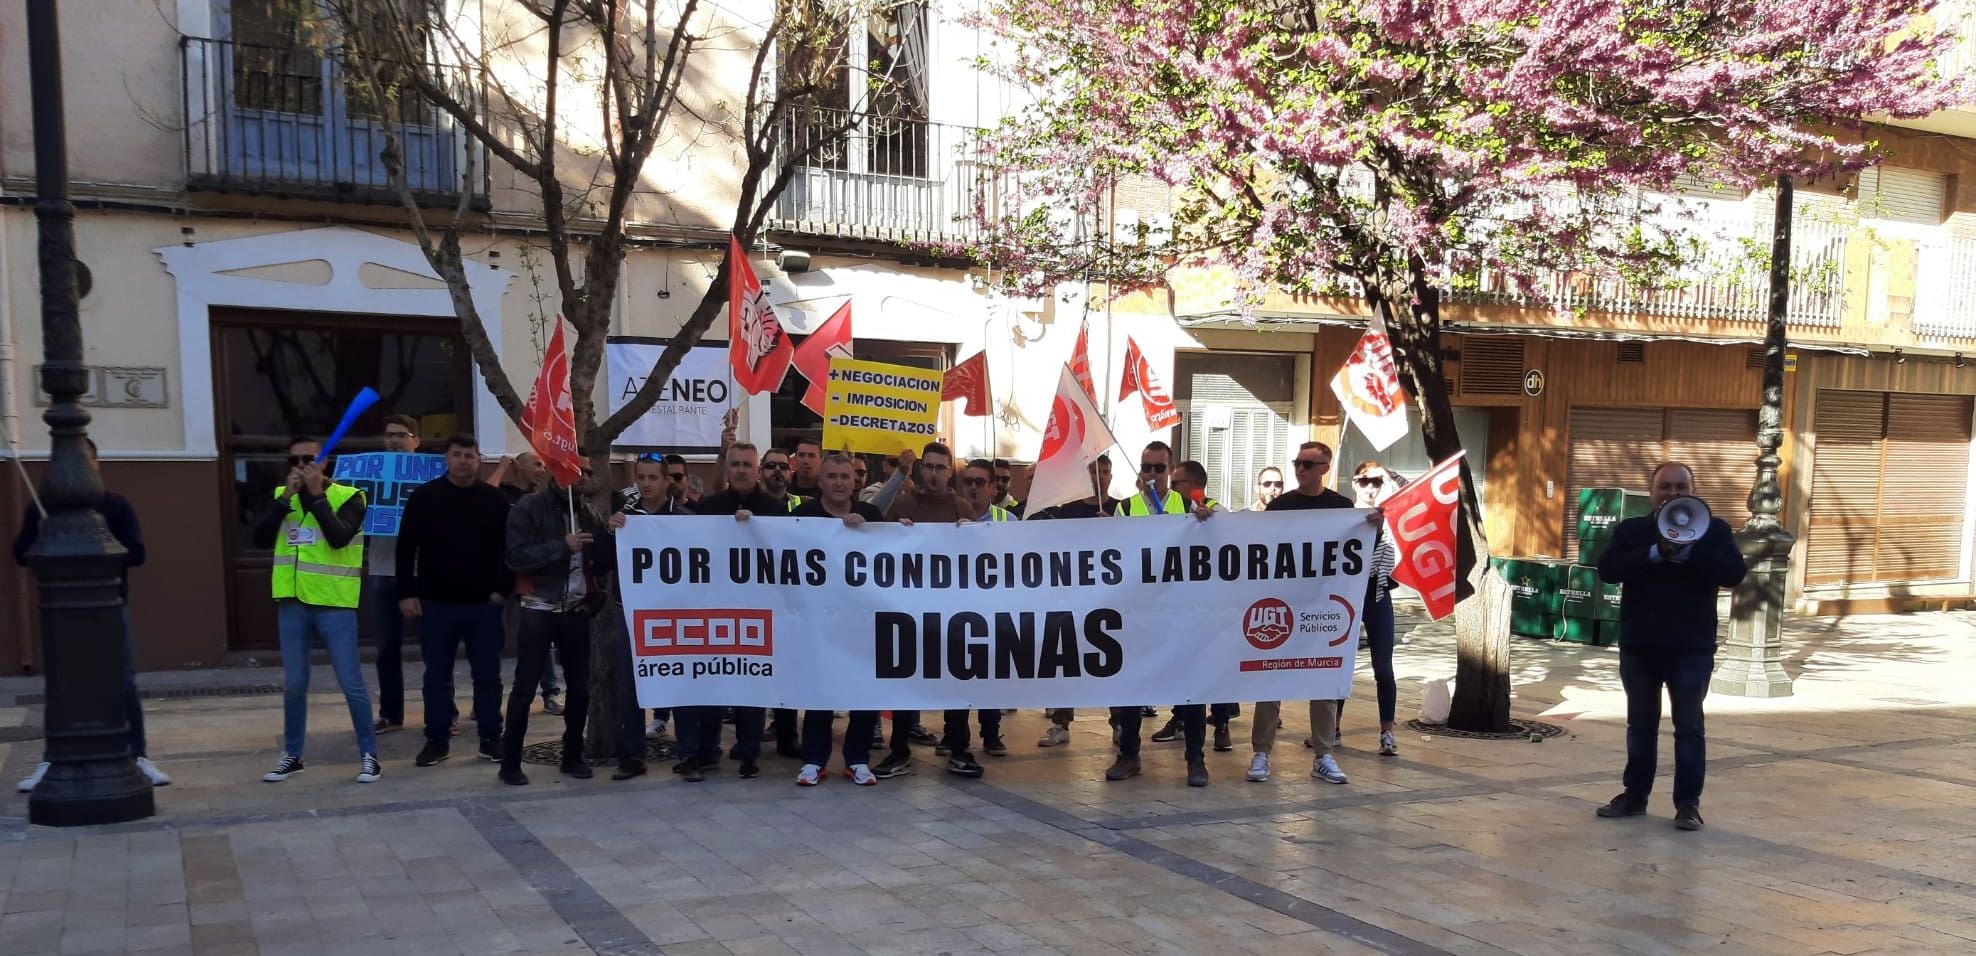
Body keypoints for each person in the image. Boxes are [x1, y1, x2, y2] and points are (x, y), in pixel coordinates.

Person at [1595, 462, 1747, 832]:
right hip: (1641, 644)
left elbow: (1734, 574)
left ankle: (1688, 805)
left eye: (1681, 487)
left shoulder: (1714, 531)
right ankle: (1635, 796)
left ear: (1692, 491)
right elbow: (1607, 569)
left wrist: (1692, 551)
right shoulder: (1633, 530)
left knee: (1689, 727)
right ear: (1652, 491)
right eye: (1665, 486)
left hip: (1691, 647)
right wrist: (1653, 553)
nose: (1673, 493)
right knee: (1641, 725)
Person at [12, 438, 170, 790]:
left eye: (84, 461)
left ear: (96, 464)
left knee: (124, 680)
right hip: (63, 614)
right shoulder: (43, 509)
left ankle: (138, 754)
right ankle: (53, 758)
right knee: (63, 683)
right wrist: (42, 535)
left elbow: (137, 553)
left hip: (110, 606)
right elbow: (20, 553)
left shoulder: (115, 506)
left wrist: (96, 543)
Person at [253, 436, 380, 784]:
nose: (302, 465)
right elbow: (261, 538)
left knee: (350, 681)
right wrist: (287, 499)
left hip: (333, 602)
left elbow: (339, 537)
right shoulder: (283, 497)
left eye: (309, 458)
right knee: (294, 683)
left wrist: (316, 495)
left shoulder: (350, 496)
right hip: (293, 602)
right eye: (294, 460)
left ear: (324, 462)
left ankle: (369, 755)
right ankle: (292, 754)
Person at [1249, 441, 1374, 786]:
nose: (1300, 469)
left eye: (1308, 464)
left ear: (1324, 468)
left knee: (1323, 677)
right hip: (1284, 604)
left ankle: (1323, 753)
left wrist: (1372, 525)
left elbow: (1359, 551)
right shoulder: (1280, 506)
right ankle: (1261, 751)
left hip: (1323, 607)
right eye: (1297, 463)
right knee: (1270, 674)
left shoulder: (1341, 507)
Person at [397, 436, 513, 768]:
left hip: (484, 606)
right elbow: (406, 550)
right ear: (447, 459)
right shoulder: (424, 498)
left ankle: (491, 739)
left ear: (479, 461)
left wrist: (500, 592)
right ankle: (436, 740)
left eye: (470, 456)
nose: (463, 461)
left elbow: (510, 551)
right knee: (436, 676)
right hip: (435, 604)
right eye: (457, 455)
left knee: (488, 675)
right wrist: (407, 593)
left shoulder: (495, 500)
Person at [673, 443, 782, 781]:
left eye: (747, 465)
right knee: (711, 680)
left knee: (752, 683)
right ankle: (706, 752)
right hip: (715, 608)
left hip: (758, 610)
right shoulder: (709, 508)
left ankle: (749, 752)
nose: (741, 471)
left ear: (758, 469)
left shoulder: (775, 510)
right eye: (735, 464)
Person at [1109, 442, 1216, 787]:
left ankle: (1196, 759)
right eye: (1147, 467)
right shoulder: (1125, 509)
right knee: (1131, 689)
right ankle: (1128, 755)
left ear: (1171, 471)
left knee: (1193, 688)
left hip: (1181, 613)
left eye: (1159, 468)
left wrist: (1208, 522)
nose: (1152, 474)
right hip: (1140, 613)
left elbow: (1215, 545)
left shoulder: (1189, 506)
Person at [499, 464, 610, 785]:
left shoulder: (588, 512)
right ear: (555, 472)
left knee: (579, 687)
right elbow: (516, 557)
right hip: (538, 607)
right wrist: (563, 545)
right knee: (524, 688)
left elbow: (602, 561)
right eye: (576, 470)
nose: (582, 477)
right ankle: (510, 762)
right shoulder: (529, 507)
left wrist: (613, 533)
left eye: (588, 471)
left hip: (576, 609)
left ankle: (572, 755)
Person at [875, 442, 975, 778]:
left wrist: (970, 536)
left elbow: (980, 561)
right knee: (905, 683)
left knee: (957, 681)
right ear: (921, 469)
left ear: (950, 472)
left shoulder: (962, 508)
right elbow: (877, 548)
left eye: (939, 467)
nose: (933, 473)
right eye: (928, 466)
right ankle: (899, 750)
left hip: (952, 615)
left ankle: (959, 748)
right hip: (908, 614)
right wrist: (894, 535)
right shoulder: (904, 504)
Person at [790, 454, 888, 786]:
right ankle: (814, 760)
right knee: (820, 689)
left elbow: (895, 553)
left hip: (861, 619)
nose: (838, 482)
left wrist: (896, 530)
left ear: (854, 481)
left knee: (864, 689)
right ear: (820, 482)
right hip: (817, 620)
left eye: (845, 476)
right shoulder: (802, 516)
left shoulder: (871, 515)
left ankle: (857, 759)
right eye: (831, 476)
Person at [1025, 457, 1115, 749]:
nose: (1100, 477)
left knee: (1115, 660)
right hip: (1074, 597)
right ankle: (1060, 723)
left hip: (1113, 598)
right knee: (1066, 659)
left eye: (1104, 472)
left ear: (1111, 476)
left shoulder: (1119, 509)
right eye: (1094, 472)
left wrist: (1114, 528)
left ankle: (1120, 724)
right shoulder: (1069, 511)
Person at [1156, 459, 1240, 754]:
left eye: (1176, 482)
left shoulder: (1217, 510)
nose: (1171, 486)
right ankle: (1180, 719)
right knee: (1185, 667)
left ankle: (1221, 724)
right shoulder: (1176, 511)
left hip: (1212, 606)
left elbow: (1231, 544)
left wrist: (1209, 521)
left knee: (1213, 668)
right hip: (1181, 604)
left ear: (1192, 485)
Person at [493, 449, 562, 716]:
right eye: (536, 464)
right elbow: (485, 494)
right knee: (493, 637)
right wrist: (501, 468)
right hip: (500, 575)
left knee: (539, 635)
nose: (541, 470)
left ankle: (550, 693)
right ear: (518, 467)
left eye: (544, 465)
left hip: (531, 575)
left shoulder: (542, 501)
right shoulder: (503, 494)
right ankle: (489, 699)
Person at [1345, 461, 1406, 757]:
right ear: (1354, 483)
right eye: (1364, 481)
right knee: (1340, 664)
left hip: (1378, 593)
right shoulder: (1344, 514)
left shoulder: (1392, 515)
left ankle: (1387, 732)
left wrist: (1390, 474)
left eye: (1376, 482)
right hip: (1346, 593)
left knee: (1383, 667)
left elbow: (1415, 495)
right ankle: (1330, 728)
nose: (1370, 487)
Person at [370, 415, 421, 735]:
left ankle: (447, 713)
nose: (395, 440)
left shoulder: (432, 477)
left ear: (416, 440)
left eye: (402, 435)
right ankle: (391, 713)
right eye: (389, 435)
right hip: (381, 569)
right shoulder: (371, 476)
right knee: (386, 648)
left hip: (423, 573)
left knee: (436, 647)